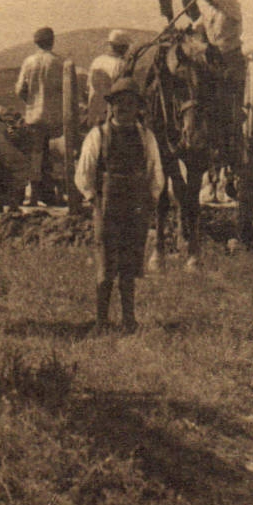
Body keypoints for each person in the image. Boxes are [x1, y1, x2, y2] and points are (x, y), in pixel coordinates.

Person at [74, 78, 165, 333]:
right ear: (111, 106)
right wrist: (93, 199)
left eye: (130, 103)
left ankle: (129, 320)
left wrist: (151, 198)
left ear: (138, 108)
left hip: (136, 207)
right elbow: (84, 172)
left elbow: (156, 171)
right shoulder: (98, 135)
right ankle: (101, 321)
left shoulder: (146, 137)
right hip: (107, 206)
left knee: (129, 266)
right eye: (118, 103)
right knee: (105, 264)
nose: (123, 108)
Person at [15, 26, 67, 205]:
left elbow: (20, 90)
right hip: (55, 116)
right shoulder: (60, 62)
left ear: (35, 42)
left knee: (36, 155)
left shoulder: (29, 62)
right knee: (55, 156)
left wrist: (30, 101)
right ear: (52, 41)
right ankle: (59, 195)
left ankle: (34, 197)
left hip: (34, 115)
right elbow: (67, 90)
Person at [85, 29, 133, 127]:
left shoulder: (97, 61)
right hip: (110, 117)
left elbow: (89, 86)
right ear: (123, 47)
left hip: (94, 113)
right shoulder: (121, 65)